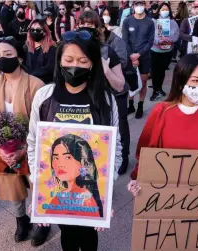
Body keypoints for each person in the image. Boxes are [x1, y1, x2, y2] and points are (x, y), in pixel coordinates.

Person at [27, 30, 122, 251]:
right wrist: (38, 190)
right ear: (59, 61)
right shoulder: (44, 96)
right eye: (68, 60)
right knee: (67, 234)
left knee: (89, 238)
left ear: (93, 64)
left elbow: (114, 145)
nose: (74, 66)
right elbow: (34, 143)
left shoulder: (105, 99)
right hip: (56, 189)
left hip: (90, 190)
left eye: (82, 61)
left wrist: (106, 192)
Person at [127, 53, 198, 231]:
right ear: (181, 81)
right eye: (195, 80)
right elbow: (146, 152)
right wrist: (139, 179)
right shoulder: (161, 112)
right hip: (163, 199)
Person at [0, 36, 44, 244]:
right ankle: (21, 220)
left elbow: (44, 123)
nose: (2, 58)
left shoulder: (36, 85)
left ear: (19, 57)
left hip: (32, 146)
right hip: (4, 149)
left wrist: (24, 148)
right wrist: (2, 148)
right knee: (13, 186)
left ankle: (42, 221)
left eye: (8, 54)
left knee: (37, 185)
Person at [78, 10, 130, 175]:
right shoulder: (73, 50)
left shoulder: (108, 49)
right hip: (92, 100)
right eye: (83, 25)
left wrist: (106, 69)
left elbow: (120, 84)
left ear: (97, 28)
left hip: (114, 96)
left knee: (120, 127)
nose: (86, 28)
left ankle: (122, 158)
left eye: (90, 25)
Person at [45, 134, 103, 217]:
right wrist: (39, 216)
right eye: (56, 158)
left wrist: (105, 218)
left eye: (67, 157)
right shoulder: (58, 196)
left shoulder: (87, 197)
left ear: (82, 162)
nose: (60, 164)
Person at [122, 0, 155, 119]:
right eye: (137, 4)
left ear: (145, 6)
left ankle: (140, 105)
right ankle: (130, 105)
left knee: (143, 82)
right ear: (133, 6)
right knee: (131, 82)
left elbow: (150, 42)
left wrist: (139, 55)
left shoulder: (150, 22)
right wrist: (131, 55)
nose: (139, 6)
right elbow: (125, 40)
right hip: (130, 56)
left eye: (141, 4)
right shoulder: (127, 21)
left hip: (145, 56)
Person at [149, 2, 179, 101]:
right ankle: (155, 91)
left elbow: (176, 35)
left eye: (166, 9)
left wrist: (170, 39)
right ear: (159, 10)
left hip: (167, 51)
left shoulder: (173, 22)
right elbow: (150, 36)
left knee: (162, 71)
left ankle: (160, 88)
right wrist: (158, 40)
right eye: (163, 9)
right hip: (155, 50)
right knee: (155, 71)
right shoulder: (153, 21)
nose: (164, 11)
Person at [25, 19, 57, 84]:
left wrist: (32, 76)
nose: (34, 32)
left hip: (44, 83)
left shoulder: (51, 48)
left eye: (38, 30)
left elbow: (49, 68)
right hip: (29, 83)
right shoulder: (27, 47)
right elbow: (25, 65)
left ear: (45, 33)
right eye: (32, 30)